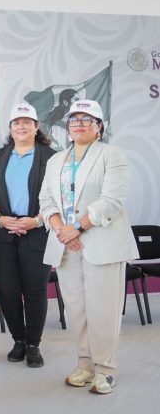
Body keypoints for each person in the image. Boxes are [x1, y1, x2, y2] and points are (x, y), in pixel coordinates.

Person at [39, 99, 138, 394]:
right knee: (77, 310)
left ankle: (105, 369)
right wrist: (62, 230)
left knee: (103, 310)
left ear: (99, 127)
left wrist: (77, 228)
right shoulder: (56, 160)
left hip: (101, 243)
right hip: (66, 244)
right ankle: (85, 364)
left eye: (86, 119)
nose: (79, 124)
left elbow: (112, 200)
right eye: (74, 119)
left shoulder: (112, 155)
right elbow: (46, 200)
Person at [0, 103, 56, 368]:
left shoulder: (52, 158)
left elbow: (61, 198)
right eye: (16, 122)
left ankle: (33, 344)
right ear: (10, 128)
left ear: (37, 127)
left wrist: (36, 221)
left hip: (37, 232)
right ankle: (18, 340)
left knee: (35, 290)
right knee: (7, 290)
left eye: (27, 122)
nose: (22, 126)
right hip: (2, 233)